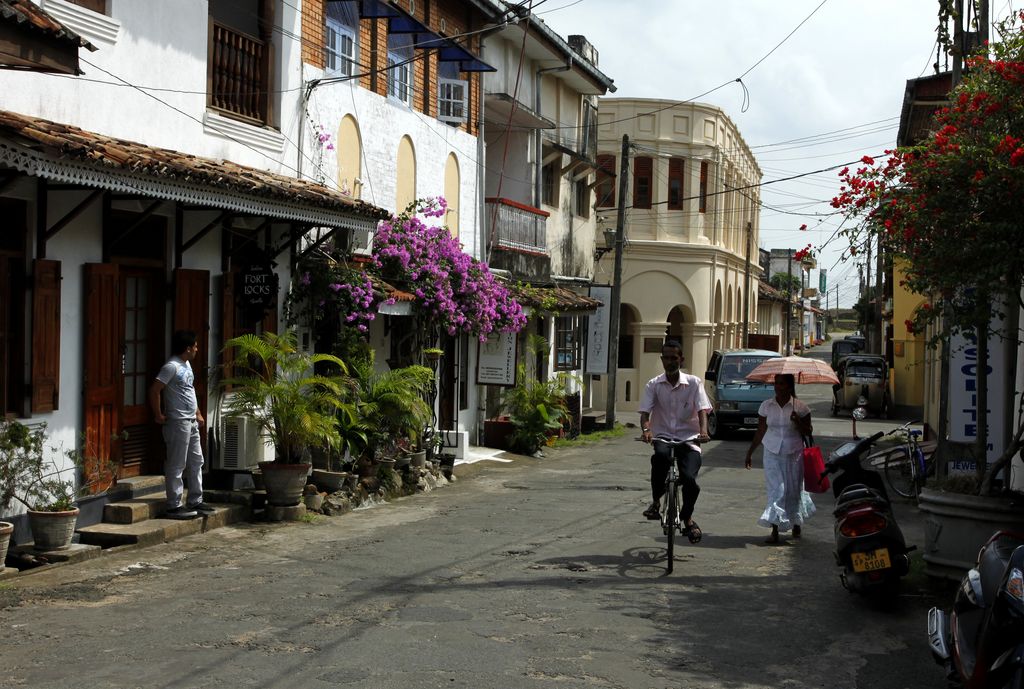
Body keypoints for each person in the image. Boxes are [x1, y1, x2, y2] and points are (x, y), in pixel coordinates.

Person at [638, 340, 712, 543]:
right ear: (661, 359)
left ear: (681, 359)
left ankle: (687, 518)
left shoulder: (694, 383)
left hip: (689, 439)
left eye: (674, 358)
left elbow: (702, 411)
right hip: (662, 437)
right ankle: (655, 501)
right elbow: (645, 413)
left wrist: (703, 431)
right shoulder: (653, 385)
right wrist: (646, 430)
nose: (670, 361)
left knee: (690, 480)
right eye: (666, 358)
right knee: (659, 457)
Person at [149, 330, 213, 519]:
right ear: (187, 348)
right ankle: (174, 504)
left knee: (196, 461)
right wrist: (158, 414)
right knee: (177, 464)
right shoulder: (171, 367)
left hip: (191, 421)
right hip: (177, 422)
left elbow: (189, 391)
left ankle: (195, 499)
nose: (197, 349)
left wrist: (198, 413)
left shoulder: (187, 365)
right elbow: (155, 390)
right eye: (194, 346)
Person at [744, 373, 814, 543]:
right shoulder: (766, 406)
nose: (777, 386)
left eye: (781, 383)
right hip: (772, 452)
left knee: (793, 489)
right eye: (776, 383)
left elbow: (808, 431)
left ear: (790, 386)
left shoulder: (801, 407)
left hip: (794, 453)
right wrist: (750, 452)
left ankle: (796, 524)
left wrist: (798, 421)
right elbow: (761, 430)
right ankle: (775, 529)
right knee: (777, 490)